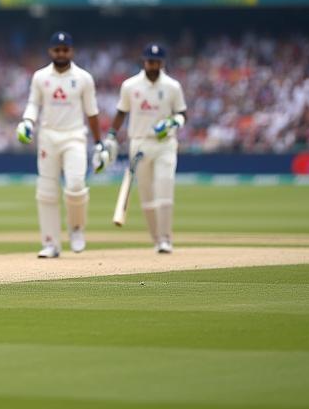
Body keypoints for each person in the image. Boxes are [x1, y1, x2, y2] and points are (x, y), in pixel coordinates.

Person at [16, 31, 106, 258]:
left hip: (75, 136)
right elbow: (33, 104)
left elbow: (92, 113)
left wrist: (98, 144)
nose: (61, 53)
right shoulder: (40, 77)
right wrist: (27, 122)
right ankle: (51, 243)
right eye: (57, 49)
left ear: (72, 51)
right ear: (50, 51)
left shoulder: (84, 78)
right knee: (46, 192)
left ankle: (76, 229)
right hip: (48, 137)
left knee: (75, 185)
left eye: (65, 49)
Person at [104, 43, 188, 253]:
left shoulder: (172, 86)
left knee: (165, 188)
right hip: (139, 143)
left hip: (165, 144)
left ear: (163, 62)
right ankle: (156, 239)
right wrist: (112, 136)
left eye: (157, 62)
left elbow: (182, 114)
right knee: (147, 198)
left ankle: (166, 239)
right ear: (144, 61)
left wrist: (172, 123)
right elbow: (121, 112)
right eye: (150, 61)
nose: (153, 65)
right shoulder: (130, 86)